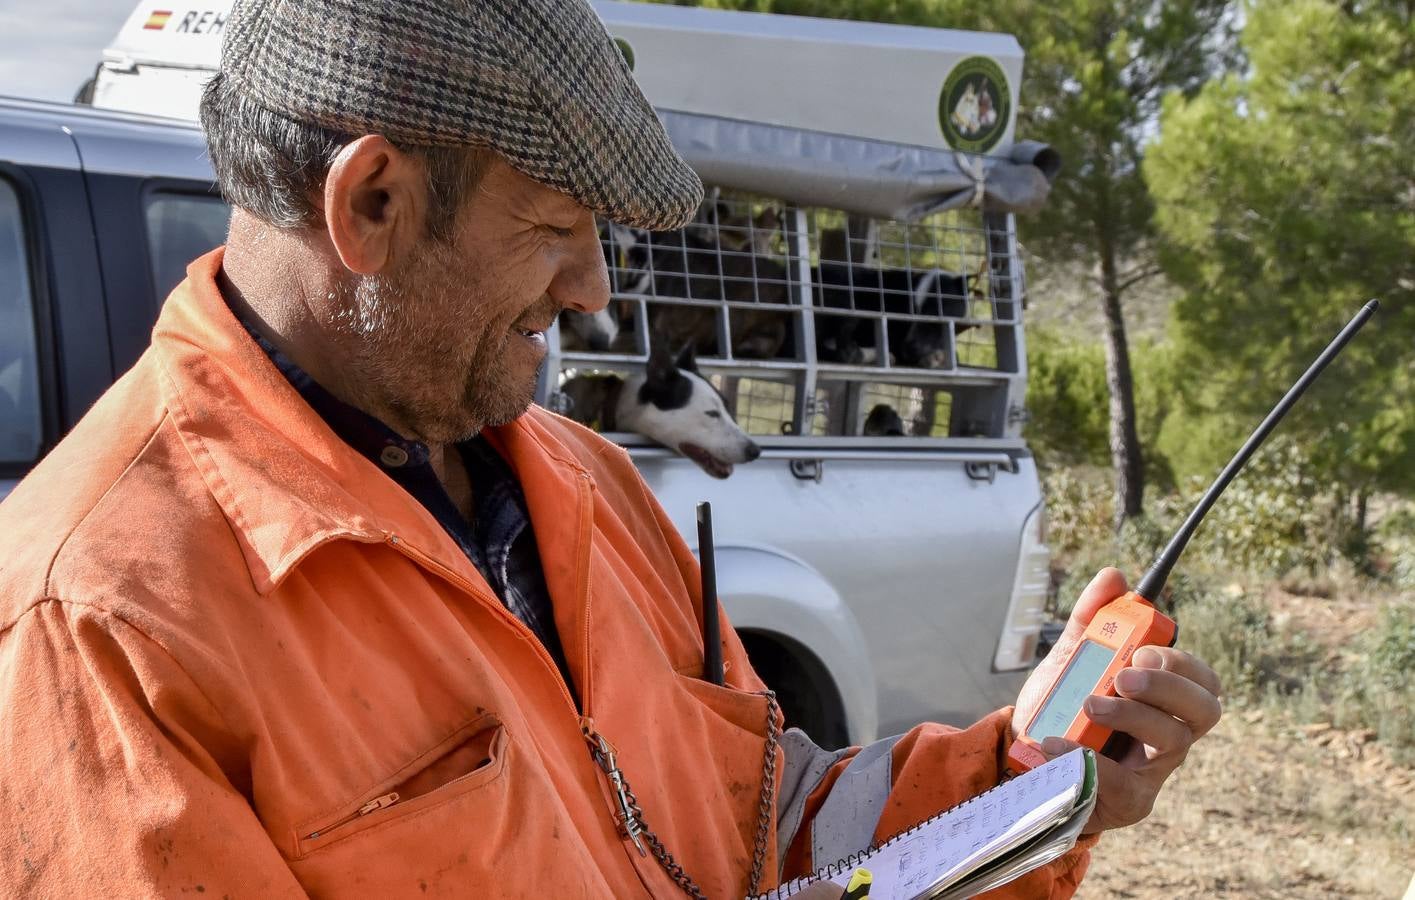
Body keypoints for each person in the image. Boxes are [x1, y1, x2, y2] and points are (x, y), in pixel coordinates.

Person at [0, 1, 1222, 897]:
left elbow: (766, 818)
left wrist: (1018, 789)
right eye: (553, 228)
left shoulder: (581, 482)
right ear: (370, 202)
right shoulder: (103, 623)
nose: (590, 291)